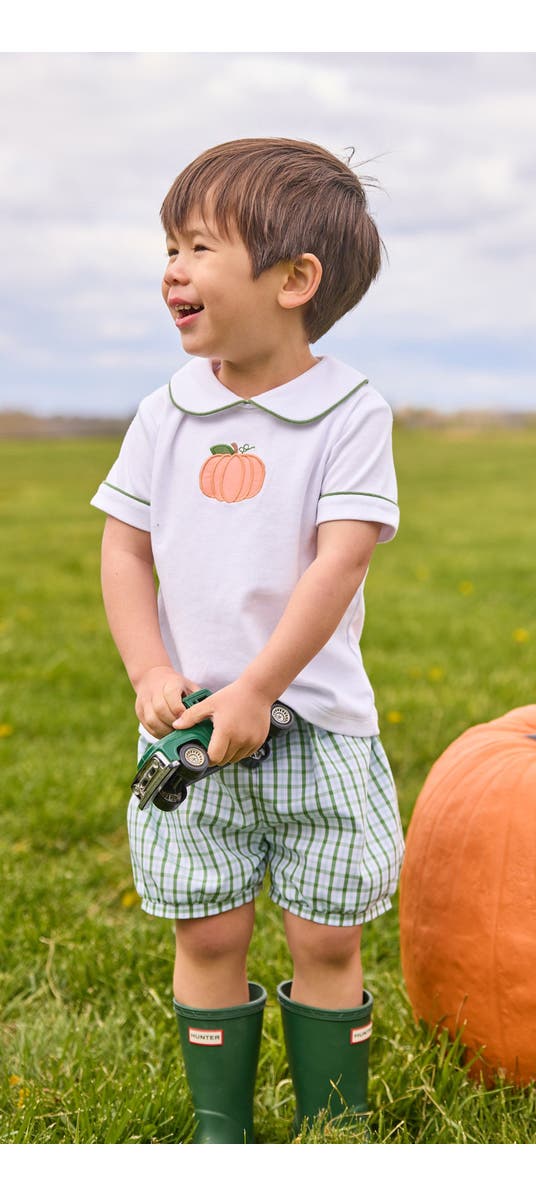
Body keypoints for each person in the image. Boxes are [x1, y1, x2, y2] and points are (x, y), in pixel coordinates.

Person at [91, 138, 404, 1143]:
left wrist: (262, 684)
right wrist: (150, 668)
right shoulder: (163, 414)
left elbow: (337, 562)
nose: (172, 270)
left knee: (326, 931)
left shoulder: (348, 413)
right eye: (168, 247)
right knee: (209, 925)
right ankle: (222, 1136)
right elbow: (124, 549)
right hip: (188, 726)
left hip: (312, 726)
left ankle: (331, 1131)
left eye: (198, 245)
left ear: (293, 280)